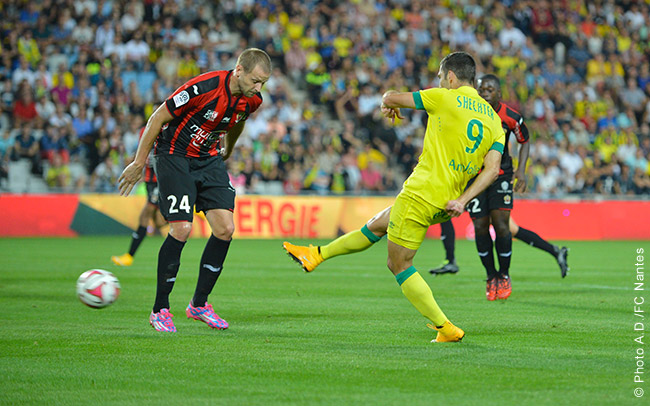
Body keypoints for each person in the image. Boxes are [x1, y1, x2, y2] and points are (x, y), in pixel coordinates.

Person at [285, 52, 505, 343]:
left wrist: (387, 105)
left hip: (421, 192)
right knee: (378, 225)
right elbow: (492, 171)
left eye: (440, 76)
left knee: (398, 264)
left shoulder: (443, 97)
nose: (439, 81)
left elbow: (390, 97)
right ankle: (316, 255)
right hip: (447, 202)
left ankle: (445, 327)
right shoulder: (494, 121)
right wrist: (463, 200)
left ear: (450, 77)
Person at [118, 48, 271, 333]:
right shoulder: (205, 87)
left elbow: (236, 122)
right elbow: (157, 118)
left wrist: (230, 146)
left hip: (208, 158)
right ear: (239, 70)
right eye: (255, 80)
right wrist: (139, 163)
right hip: (174, 156)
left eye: (263, 82)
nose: (258, 88)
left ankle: (199, 304)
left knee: (225, 228)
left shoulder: (252, 100)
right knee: (182, 229)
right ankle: (160, 309)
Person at [428, 218, 568, 277]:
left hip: (485, 187)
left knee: (512, 229)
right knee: (446, 210)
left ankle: (555, 251)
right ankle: (555, 251)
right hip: (477, 186)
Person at [111, 127, 167, 267]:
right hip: (149, 181)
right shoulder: (146, 131)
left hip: (160, 181)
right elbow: (142, 152)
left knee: (145, 213)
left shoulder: (168, 132)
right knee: (158, 221)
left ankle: (129, 256)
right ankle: (185, 212)